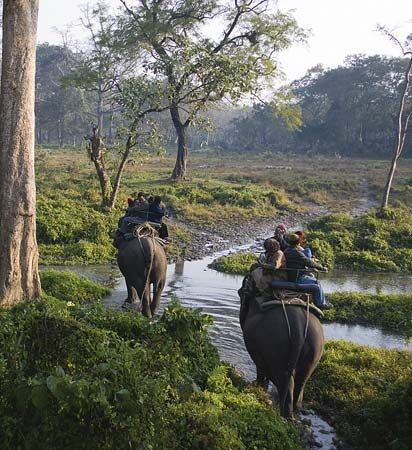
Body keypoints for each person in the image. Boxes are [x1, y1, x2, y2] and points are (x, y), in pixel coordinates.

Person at [284, 233, 331, 309]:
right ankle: (321, 304)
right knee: (316, 282)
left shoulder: (286, 251)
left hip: (288, 276)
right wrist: (321, 267)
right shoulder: (297, 253)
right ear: (298, 242)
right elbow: (308, 262)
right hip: (298, 278)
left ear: (288, 242)